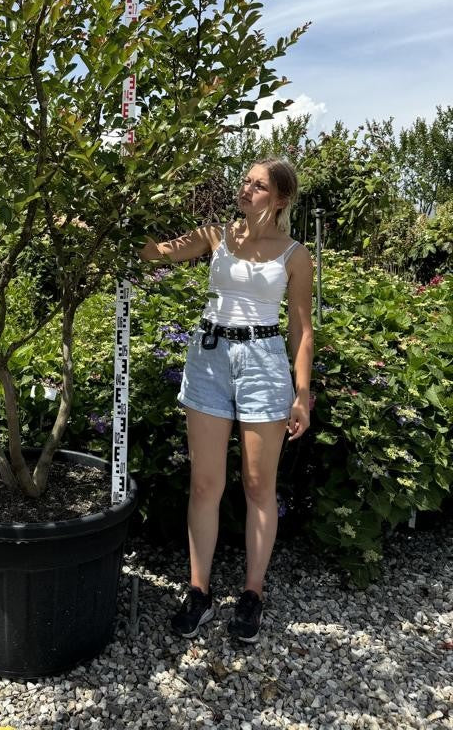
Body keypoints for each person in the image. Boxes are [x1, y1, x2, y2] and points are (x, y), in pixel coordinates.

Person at [139, 157, 314, 644]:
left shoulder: (295, 254)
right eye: (245, 181)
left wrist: (302, 393)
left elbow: (301, 328)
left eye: (258, 186)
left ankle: (252, 594)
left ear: (280, 198)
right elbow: (155, 253)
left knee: (259, 485)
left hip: (264, 360)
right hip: (209, 357)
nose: (246, 189)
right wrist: (110, 216)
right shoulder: (216, 235)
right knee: (204, 484)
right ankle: (198, 592)